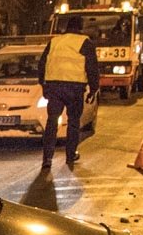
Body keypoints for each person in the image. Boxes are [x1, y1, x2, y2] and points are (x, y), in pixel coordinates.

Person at [37, 15, 100, 170]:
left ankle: (47, 158)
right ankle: (70, 155)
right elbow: (92, 67)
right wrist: (93, 89)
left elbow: (42, 64)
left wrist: (43, 85)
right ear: (80, 27)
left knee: (52, 122)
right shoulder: (85, 42)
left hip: (54, 87)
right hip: (74, 88)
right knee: (73, 122)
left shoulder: (54, 42)